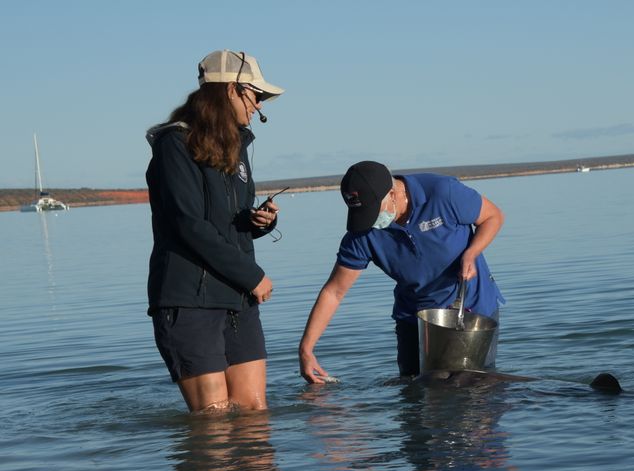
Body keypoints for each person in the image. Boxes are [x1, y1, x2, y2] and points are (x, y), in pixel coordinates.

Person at [145, 50, 284, 412]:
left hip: (237, 296)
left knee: (255, 411)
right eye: (257, 96)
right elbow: (188, 224)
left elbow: (225, 224)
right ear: (232, 90)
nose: (258, 106)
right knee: (214, 421)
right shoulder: (173, 145)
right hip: (189, 299)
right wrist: (252, 275)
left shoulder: (238, 148)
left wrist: (256, 222)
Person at [299, 161, 505, 382]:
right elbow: (334, 292)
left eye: (372, 211)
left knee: (476, 393)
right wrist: (306, 349)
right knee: (415, 394)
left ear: (392, 193)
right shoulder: (362, 234)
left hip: (471, 308)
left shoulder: (443, 192)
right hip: (415, 319)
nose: (370, 222)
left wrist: (472, 252)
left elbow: (493, 217)